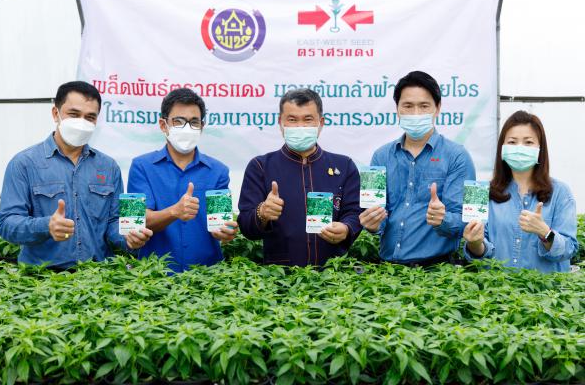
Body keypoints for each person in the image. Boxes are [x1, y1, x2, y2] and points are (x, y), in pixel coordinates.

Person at [0, 81, 152, 269]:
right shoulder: (24, 163)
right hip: (42, 284)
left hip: (97, 280)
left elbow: (113, 222)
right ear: (56, 113)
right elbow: (6, 224)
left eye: (90, 117)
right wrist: (46, 226)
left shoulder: (109, 166)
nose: (82, 122)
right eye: (74, 114)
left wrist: (129, 237)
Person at [360, 71, 476, 266]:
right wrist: (372, 223)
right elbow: (377, 216)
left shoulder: (458, 156)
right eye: (408, 106)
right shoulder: (380, 156)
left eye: (424, 106)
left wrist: (443, 219)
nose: (415, 113)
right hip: (387, 271)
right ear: (397, 109)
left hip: (438, 272)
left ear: (437, 109)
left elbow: (469, 220)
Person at [238, 88, 362, 266]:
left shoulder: (344, 166)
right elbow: (246, 226)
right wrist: (262, 212)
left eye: (308, 119)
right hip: (279, 279)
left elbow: (355, 212)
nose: (300, 126)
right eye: (292, 120)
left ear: (321, 123)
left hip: (334, 279)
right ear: (280, 123)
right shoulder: (260, 167)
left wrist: (347, 228)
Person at [127, 88, 238, 272]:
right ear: (164, 125)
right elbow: (134, 221)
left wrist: (224, 232)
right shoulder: (141, 166)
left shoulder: (218, 171)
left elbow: (219, 225)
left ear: (202, 126)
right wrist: (173, 212)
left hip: (208, 277)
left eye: (194, 122)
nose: (187, 128)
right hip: (154, 277)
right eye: (178, 122)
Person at [463, 111, 577, 272]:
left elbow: (569, 249)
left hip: (545, 294)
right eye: (512, 142)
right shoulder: (479, 191)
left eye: (528, 142)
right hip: (497, 293)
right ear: (502, 148)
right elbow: (477, 256)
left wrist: (545, 232)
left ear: (540, 149)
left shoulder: (561, 192)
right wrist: (475, 243)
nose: (519, 148)